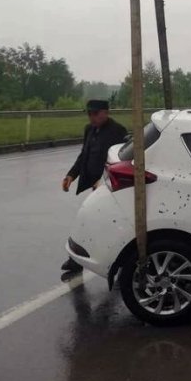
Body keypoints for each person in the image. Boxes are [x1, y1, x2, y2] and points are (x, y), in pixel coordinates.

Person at [60, 100, 127, 275]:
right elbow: (84, 155)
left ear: (105, 112)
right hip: (93, 186)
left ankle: (121, 263)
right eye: (89, 114)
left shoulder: (118, 131)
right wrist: (71, 175)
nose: (92, 117)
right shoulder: (89, 129)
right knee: (86, 222)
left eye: (95, 114)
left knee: (107, 224)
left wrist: (103, 180)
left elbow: (120, 161)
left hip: (109, 187)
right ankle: (77, 260)